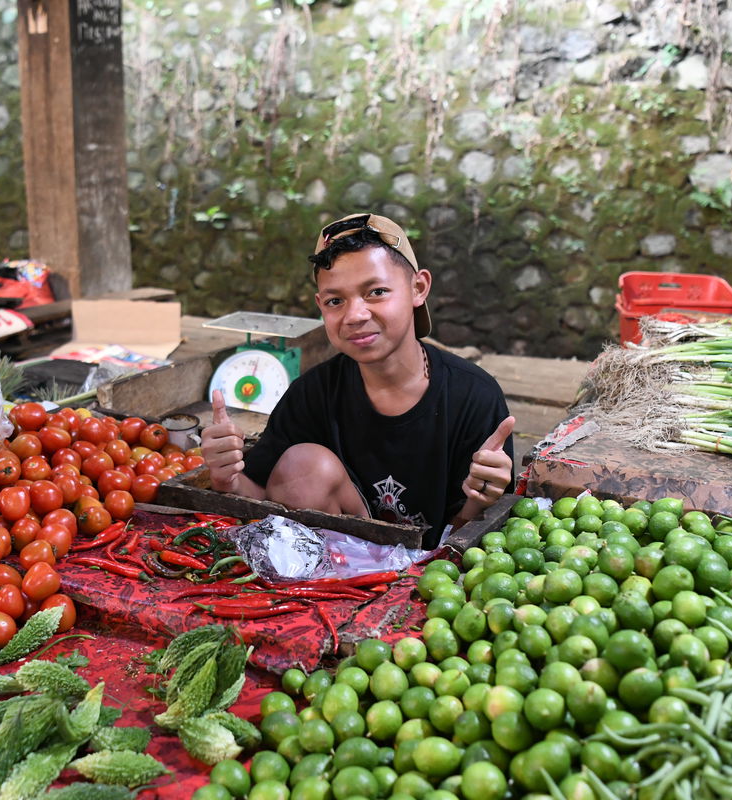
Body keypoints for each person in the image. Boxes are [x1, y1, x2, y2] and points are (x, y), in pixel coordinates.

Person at [200, 212, 516, 549]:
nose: (355, 316)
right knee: (304, 466)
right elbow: (263, 499)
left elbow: (470, 533)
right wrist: (227, 478)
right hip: (337, 578)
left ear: (418, 288)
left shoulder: (473, 396)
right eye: (336, 301)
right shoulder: (313, 394)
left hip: (432, 576)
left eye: (376, 292)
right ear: (321, 306)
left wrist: (482, 498)